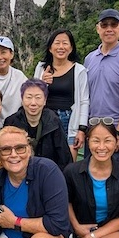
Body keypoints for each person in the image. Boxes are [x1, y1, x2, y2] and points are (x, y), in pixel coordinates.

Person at [84, 9, 119, 165]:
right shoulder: (89, 59)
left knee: (115, 174)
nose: (109, 29)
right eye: (104, 25)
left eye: (113, 25)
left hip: (114, 128)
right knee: (89, 172)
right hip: (92, 128)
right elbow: (85, 96)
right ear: (98, 28)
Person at [34, 29, 89, 162]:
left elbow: (84, 101)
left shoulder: (79, 70)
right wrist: (42, 82)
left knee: (68, 164)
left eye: (65, 43)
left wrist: (82, 129)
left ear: (71, 48)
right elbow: (33, 95)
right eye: (57, 43)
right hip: (45, 119)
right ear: (50, 48)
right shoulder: (41, 68)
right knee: (44, 162)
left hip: (69, 120)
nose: (61, 47)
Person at [4, 78, 73, 171]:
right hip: (18, 172)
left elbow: (64, 158)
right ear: (22, 100)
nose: (33, 103)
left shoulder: (54, 122)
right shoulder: (11, 122)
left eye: (38, 98)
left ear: (45, 101)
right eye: (29, 97)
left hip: (48, 172)